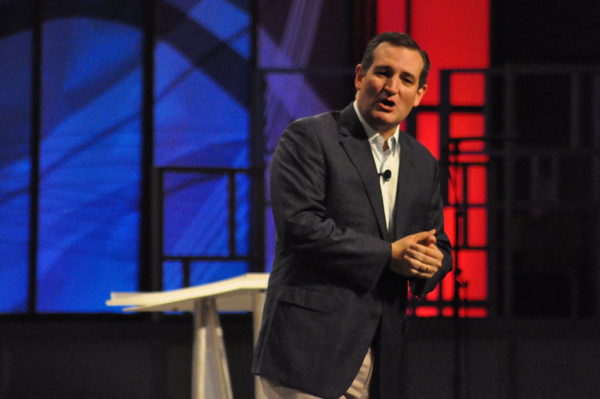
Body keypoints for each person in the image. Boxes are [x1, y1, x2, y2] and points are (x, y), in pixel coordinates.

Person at [252, 32, 453, 399]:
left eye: (407, 80)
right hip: (309, 350)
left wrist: (433, 261)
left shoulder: (423, 163)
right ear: (361, 76)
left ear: (420, 94)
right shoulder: (309, 137)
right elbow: (301, 227)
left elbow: (436, 240)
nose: (392, 87)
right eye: (383, 73)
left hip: (381, 353)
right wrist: (389, 255)